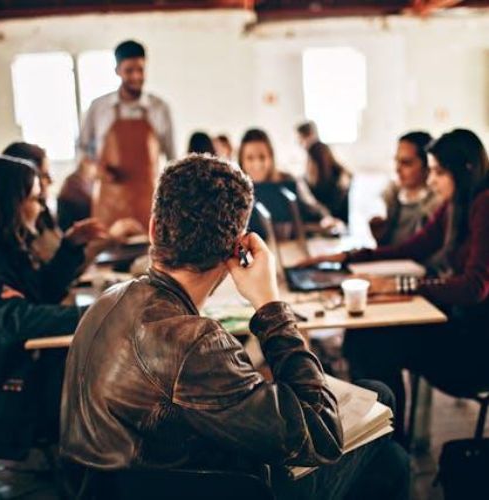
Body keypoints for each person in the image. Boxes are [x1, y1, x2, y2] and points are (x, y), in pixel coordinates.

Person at [60, 154, 408, 499]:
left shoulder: (108, 300)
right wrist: (270, 305)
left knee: (386, 443)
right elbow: (321, 435)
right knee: (389, 445)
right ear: (237, 247)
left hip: (112, 487)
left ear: (153, 228)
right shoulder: (193, 343)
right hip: (214, 488)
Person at [298, 128, 489, 441]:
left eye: (439, 172)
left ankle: (386, 445)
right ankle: (381, 441)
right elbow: (411, 248)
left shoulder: (484, 204)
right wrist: (346, 256)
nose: (432, 180)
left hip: (475, 349)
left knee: (374, 346)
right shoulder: (458, 204)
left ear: (464, 171)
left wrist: (397, 286)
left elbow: (474, 287)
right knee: (365, 340)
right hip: (458, 325)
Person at [0, 156, 106, 453]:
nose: (41, 208)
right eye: (34, 199)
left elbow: (41, 293)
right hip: (5, 396)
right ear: (10, 203)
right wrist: (99, 313)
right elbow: (15, 319)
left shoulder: (9, 246)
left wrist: (70, 247)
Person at [78, 39, 175, 228]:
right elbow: (82, 152)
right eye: (129, 70)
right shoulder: (99, 108)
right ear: (117, 71)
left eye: (141, 69)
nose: (136, 76)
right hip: (108, 204)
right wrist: (94, 170)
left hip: (149, 204)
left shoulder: (160, 108)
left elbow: (172, 160)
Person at [238, 128, 330, 240]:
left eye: (262, 157)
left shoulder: (290, 182)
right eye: (250, 158)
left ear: (271, 158)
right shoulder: (237, 191)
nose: (257, 164)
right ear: (241, 161)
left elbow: (317, 212)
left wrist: (326, 221)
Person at [369, 131, 438, 246]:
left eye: (406, 163)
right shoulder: (391, 195)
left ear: (427, 165)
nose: (397, 169)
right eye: (397, 161)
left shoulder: (436, 204)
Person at [57, 157, 97, 231]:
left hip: (73, 223)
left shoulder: (85, 181)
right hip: (71, 225)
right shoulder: (74, 182)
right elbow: (89, 199)